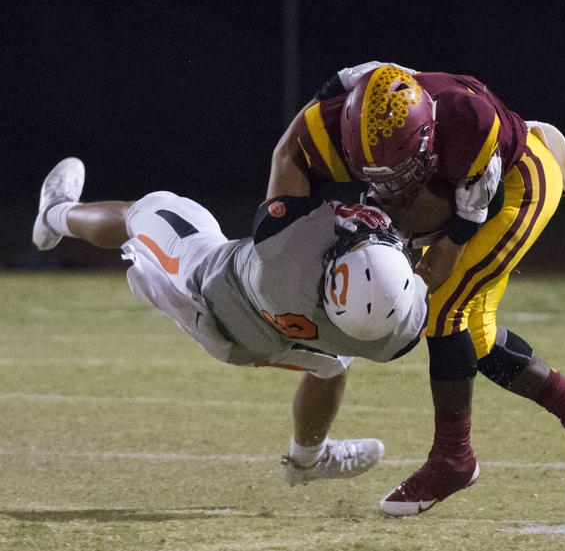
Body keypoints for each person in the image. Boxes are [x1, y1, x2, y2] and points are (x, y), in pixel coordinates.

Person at [269, 62, 565, 515]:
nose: (387, 186)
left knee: (440, 311)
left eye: (398, 170)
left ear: (426, 138)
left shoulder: (471, 128)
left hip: (518, 182)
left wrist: (389, 306)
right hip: (445, 182)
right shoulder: (330, 121)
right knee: (471, 336)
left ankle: (454, 459)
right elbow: (295, 151)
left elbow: (445, 254)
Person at [32, 157, 429, 488]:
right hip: (261, 343)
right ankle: (307, 459)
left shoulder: (280, 267)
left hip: (208, 300)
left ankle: (54, 214)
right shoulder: (391, 337)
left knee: (150, 211)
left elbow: (288, 159)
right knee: (334, 360)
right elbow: (430, 280)